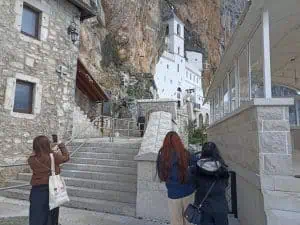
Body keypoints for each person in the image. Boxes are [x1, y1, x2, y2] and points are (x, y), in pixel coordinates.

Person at [28, 135, 70, 225]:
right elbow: (66, 157)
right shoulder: (53, 156)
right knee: (52, 213)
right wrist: (60, 144)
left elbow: (39, 156)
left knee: (37, 213)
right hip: (52, 188)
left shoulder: (31, 159)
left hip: (37, 190)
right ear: (47, 144)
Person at [156, 131, 196, 225]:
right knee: (189, 220)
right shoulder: (185, 153)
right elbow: (196, 165)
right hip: (188, 191)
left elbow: (161, 174)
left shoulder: (162, 155)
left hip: (173, 193)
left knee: (176, 221)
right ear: (178, 140)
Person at [191, 142, 229, 225]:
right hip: (220, 206)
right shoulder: (223, 168)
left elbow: (194, 185)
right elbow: (225, 185)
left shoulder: (196, 168)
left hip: (203, 207)